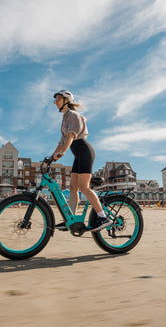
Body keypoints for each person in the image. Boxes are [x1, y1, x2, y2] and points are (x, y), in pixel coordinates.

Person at [49, 90, 112, 232]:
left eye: (58, 98)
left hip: (84, 151)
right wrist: (51, 158)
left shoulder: (73, 115)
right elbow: (62, 141)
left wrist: (63, 152)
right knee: (73, 188)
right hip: (78, 154)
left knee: (84, 187)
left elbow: (71, 137)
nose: (55, 101)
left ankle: (102, 217)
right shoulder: (65, 118)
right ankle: (70, 219)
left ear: (66, 100)